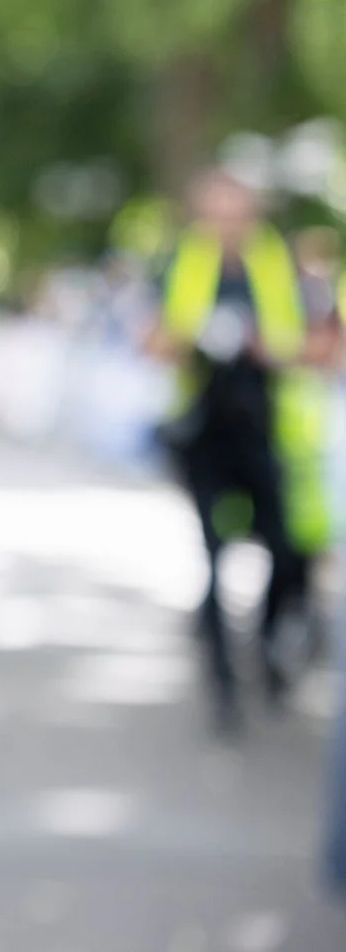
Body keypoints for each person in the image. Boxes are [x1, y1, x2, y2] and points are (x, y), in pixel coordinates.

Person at [148, 167, 324, 729]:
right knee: (214, 554)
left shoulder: (276, 265)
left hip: (264, 426)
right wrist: (190, 336)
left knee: (282, 547)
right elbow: (151, 339)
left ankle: (270, 647)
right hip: (202, 429)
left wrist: (263, 346)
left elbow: (314, 342)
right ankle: (224, 683)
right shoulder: (183, 262)